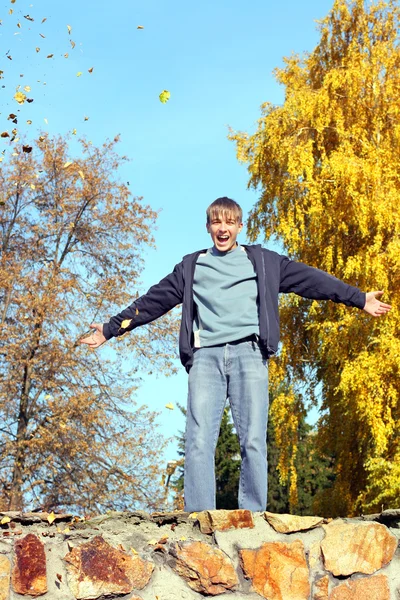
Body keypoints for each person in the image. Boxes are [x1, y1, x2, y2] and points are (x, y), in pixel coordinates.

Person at [80, 197, 392, 513]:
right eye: (217, 222)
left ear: (240, 227)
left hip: (250, 354)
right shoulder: (192, 266)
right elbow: (153, 300)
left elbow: (310, 280)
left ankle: (252, 518)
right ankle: (199, 518)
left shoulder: (264, 262)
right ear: (208, 227)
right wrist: (109, 329)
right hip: (206, 359)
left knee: (254, 440)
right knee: (199, 441)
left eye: (229, 222)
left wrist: (357, 298)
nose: (223, 228)